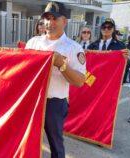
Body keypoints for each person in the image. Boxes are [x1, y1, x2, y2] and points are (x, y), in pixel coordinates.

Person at [25, 2, 86, 158]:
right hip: (32, 100)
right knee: (26, 138)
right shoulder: (33, 42)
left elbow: (80, 81)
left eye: (54, 18)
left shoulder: (74, 48)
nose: (49, 23)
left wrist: (62, 65)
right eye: (46, 18)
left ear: (64, 21)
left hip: (54, 103)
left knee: (55, 144)